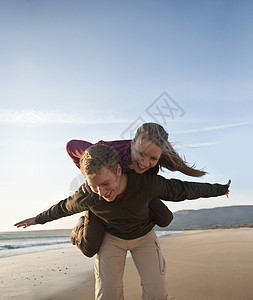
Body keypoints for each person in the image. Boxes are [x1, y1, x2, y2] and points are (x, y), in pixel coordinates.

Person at [15, 144, 231, 300]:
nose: (102, 192)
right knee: (107, 295)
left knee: (157, 294)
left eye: (106, 183)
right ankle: (81, 226)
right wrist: (36, 219)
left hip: (143, 237)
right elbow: (62, 208)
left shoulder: (146, 184)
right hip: (112, 239)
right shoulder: (88, 196)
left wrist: (221, 190)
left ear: (119, 170)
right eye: (94, 186)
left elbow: (185, 189)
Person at [67, 122, 207, 257]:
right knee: (89, 248)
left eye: (153, 157)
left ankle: (126, 222)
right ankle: (80, 227)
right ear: (133, 144)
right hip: (103, 195)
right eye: (141, 153)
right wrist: (89, 175)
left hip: (131, 194)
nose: (145, 162)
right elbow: (71, 146)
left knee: (165, 218)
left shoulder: (153, 166)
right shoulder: (109, 153)